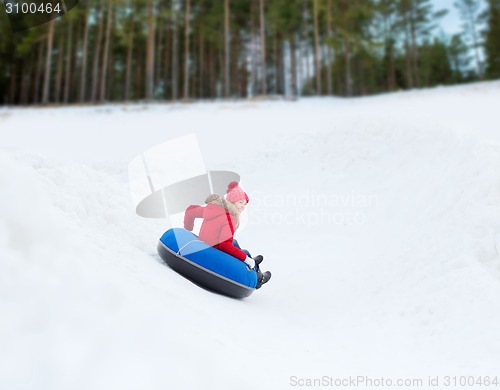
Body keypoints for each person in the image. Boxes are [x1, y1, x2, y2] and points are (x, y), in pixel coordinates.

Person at [183, 181, 271, 288]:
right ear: (232, 201)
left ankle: (251, 259)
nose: (243, 207)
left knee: (235, 242)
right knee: (245, 253)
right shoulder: (230, 218)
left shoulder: (213, 208)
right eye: (240, 202)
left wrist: (188, 228)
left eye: (244, 204)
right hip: (215, 249)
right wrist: (246, 259)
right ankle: (259, 278)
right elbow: (225, 245)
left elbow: (190, 211)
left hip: (204, 242)